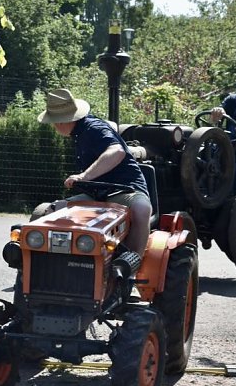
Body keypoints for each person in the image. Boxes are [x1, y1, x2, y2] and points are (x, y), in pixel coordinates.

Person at [38, 88, 152, 258]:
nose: (54, 126)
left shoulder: (94, 128)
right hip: (96, 193)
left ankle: (131, 267)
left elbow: (117, 152)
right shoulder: (78, 133)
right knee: (52, 210)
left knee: (142, 209)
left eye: (54, 121)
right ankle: (46, 266)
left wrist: (83, 177)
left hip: (125, 189)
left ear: (63, 121)